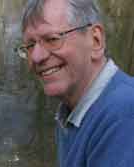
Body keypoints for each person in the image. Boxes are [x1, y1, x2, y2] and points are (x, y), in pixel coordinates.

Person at [17, 0, 134, 166]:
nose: (36, 57)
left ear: (95, 40)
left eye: (52, 39)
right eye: (29, 46)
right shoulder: (72, 110)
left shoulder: (124, 116)